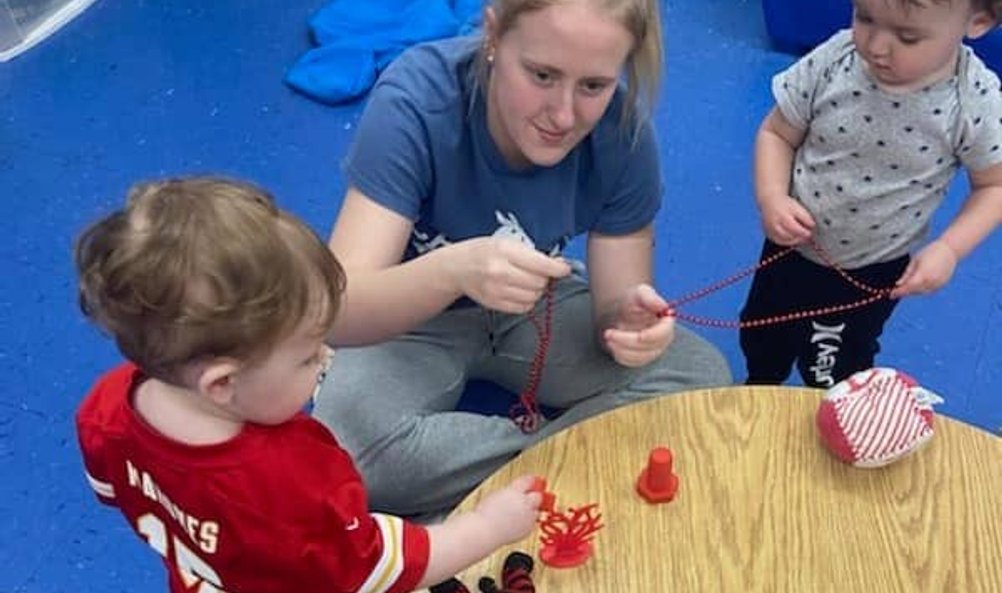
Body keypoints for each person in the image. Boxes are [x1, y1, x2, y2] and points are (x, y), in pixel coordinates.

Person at [74, 176, 543, 593]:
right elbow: (379, 568)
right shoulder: (288, 479)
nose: (326, 359)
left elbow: (111, 489)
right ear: (222, 384)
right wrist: (488, 526)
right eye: (306, 355)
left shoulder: (109, 404)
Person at [311, 0, 732, 521]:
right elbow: (339, 310)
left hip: (534, 305)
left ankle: (504, 485)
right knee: (343, 451)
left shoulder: (623, 135)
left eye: (594, 86)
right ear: (493, 36)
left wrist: (629, 326)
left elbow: (616, 306)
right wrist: (454, 271)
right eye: (541, 75)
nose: (563, 115)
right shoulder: (417, 101)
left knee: (698, 373)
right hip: (410, 320)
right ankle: (573, 458)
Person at [740, 0, 1002, 388]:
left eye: (907, 37)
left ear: (977, 21)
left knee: (833, 367)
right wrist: (772, 197)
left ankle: (832, 406)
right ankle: (761, 385)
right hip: (789, 245)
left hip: (872, 265)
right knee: (762, 333)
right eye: (865, 17)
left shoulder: (972, 101)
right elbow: (776, 133)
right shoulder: (836, 58)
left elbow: (994, 186)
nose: (876, 46)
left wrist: (949, 249)